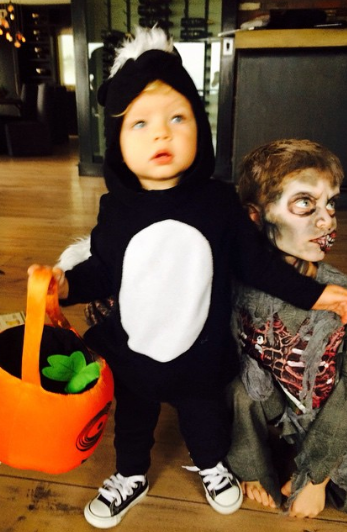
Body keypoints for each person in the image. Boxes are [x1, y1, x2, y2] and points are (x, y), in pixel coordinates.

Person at [29, 28, 347, 529]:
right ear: (116, 144)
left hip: (200, 354)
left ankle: (213, 465)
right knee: (133, 421)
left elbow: (257, 265)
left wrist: (317, 294)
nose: (162, 134)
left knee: (206, 419)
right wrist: (65, 285)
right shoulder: (116, 210)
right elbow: (103, 270)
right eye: (140, 124)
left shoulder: (218, 203)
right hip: (135, 352)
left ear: (201, 127)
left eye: (178, 118)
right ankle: (129, 475)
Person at [227, 138, 347, 519]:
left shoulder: (340, 299)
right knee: (237, 386)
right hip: (282, 409)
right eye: (305, 203)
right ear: (255, 215)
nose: (327, 220)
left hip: (333, 422)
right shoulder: (237, 286)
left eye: (331, 203)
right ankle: (253, 467)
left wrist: (316, 479)